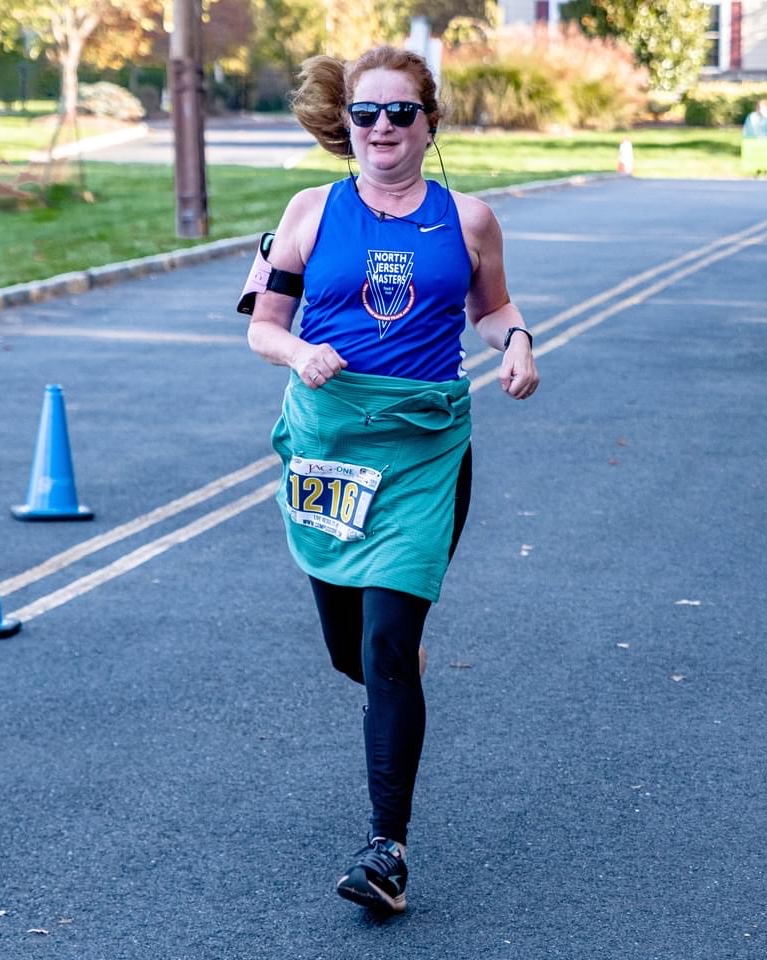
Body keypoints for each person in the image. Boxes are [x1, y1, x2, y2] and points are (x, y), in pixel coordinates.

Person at [245, 45, 539, 913]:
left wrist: (519, 344)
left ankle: (386, 850)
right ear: (347, 123)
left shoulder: (470, 220)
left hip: (423, 449)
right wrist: (299, 351)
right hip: (329, 447)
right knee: (356, 652)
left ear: (428, 122)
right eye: (365, 113)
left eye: (399, 112)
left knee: (383, 647)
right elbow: (263, 325)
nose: (381, 127)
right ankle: (395, 671)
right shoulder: (308, 211)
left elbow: (492, 309)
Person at [741, 99, 767, 178]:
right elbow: (748, 128)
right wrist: (753, 136)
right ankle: (757, 171)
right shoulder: (752, 116)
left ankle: (766, 172)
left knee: (766, 157)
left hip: (766, 141)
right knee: (757, 157)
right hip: (755, 141)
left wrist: (766, 136)